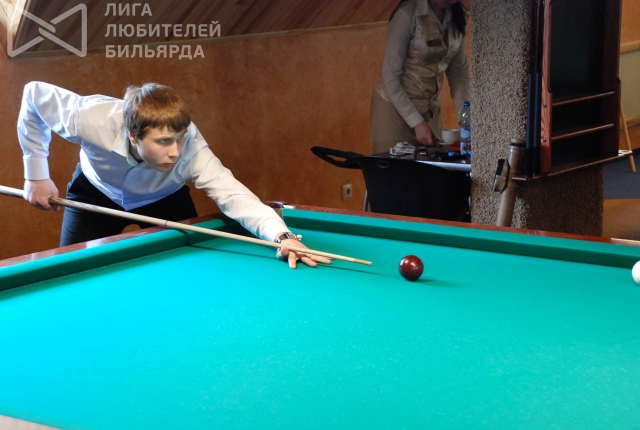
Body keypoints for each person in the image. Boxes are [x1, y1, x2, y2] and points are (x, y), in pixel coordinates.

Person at [18, 81, 330, 269]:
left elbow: (234, 195)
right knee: (72, 269)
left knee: (193, 271)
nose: (176, 152)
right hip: (95, 193)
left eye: (180, 138)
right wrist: (36, 174)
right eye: (164, 141)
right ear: (133, 136)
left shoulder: (192, 150)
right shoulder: (90, 118)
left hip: (166, 200)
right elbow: (33, 95)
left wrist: (283, 237)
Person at [370, 0, 470, 155]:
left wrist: (466, 119)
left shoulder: (458, 14)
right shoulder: (407, 14)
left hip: (430, 110)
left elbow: (458, 72)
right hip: (394, 110)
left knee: (435, 164)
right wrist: (417, 123)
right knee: (397, 166)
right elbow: (389, 77)